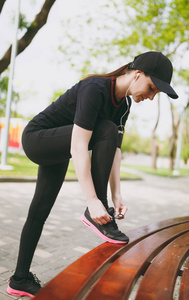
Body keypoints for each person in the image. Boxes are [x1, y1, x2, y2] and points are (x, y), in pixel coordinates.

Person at [7, 51, 178, 298]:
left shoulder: (125, 104)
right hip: (37, 139)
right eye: (152, 88)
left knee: (39, 212)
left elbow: (115, 151)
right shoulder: (95, 88)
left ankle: (19, 279)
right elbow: (79, 147)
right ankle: (97, 210)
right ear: (137, 75)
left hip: (59, 147)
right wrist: (93, 201)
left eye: (156, 94)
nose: (151, 97)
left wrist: (117, 194)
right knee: (105, 128)